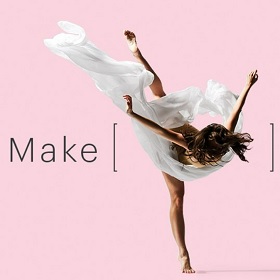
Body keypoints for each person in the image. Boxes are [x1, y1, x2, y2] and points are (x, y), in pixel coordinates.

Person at [44, 22, 258, 273]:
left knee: (177, 199)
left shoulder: (193, 143)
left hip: (174, 158)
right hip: (180, 130)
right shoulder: (221, 138)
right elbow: (235, 111)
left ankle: (183, 254)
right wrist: (247, 86)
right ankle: (137, 54)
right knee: (160, 94)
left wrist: (133, 114)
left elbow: (160, 132)